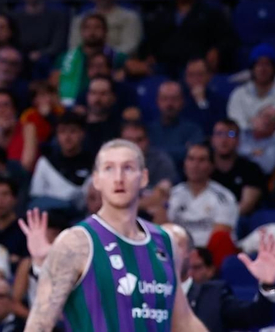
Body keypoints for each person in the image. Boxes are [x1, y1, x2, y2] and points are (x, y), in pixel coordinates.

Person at [21, 140, 247, 332]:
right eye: (109, 168)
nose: (118, 177)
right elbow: (39, 324)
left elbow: (183, 321)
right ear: (96, 180)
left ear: (144, 177)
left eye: (128, 168)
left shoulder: (166, 241)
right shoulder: (76, 242)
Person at [165, 223, 275, 332]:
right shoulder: (146, 293)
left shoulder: (213, 296)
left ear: (192, 255)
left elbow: (260, 317)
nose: (164, 250)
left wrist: (268, 285)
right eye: (158, 243)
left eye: (173, 244)